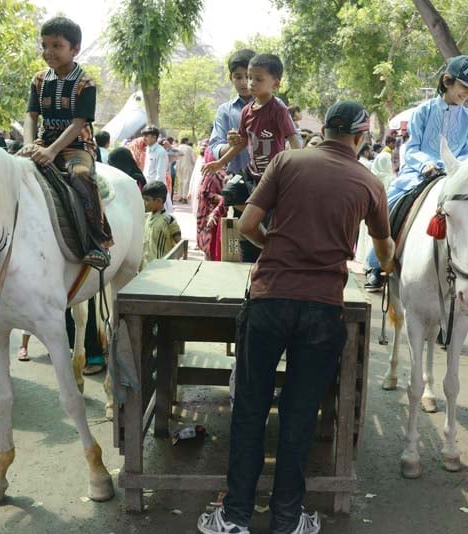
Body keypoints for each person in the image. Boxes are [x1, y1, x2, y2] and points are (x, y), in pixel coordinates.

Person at [197, 102, 393, 534]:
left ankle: (234, 517)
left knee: (250, 406)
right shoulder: (370, 183)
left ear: (323, 130)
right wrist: (389, 264)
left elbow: (247, 224)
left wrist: (274, 248)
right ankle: (287, 519)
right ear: (360, 138)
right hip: (323, 309)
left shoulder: (287, 161)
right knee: (300, 412)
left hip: (270, 300)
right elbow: (383, 251)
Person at [365, 55, 468, 291]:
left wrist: (465, 168)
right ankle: (375, 263)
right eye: (464, 87)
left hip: (454, 176)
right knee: (389, 204)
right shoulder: (423, 111)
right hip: (419, 173)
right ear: (448, 81)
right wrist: (426, 165)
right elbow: (411, 148)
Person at [22, 16, 112, 269]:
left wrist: (51, 151)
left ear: (75, 49)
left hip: (77, 146)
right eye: (45, 45)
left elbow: (78, 123)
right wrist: (30, 145)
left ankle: (98, 243)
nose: (48, 52)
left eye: (57, 45)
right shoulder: (39, 79)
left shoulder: (86, 82)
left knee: (81, 176)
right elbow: (31, 116)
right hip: (42, 142)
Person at [202, 53, 301, 263]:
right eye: (247, 77)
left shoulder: (279, 109)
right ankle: (264, 248)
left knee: (272, 221)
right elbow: (240, 142)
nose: (250, 83)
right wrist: (220, 162)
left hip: (273, 176)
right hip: (250, 173)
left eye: (257, 79)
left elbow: (294, 139)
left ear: (274, 83)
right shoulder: (243, 111)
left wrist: (298, 165)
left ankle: (274, 255)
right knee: (232, 197)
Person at [208, 49, 256, 182]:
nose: (244, 82)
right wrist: (231, 144)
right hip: (237, 180)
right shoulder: (224, 111)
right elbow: (216, 148)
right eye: (238, 77)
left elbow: (291, 140)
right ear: (231, 77)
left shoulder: (274, 106)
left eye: (249, 76)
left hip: (271, 179)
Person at [140, 181, 181, 270]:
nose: (144, 202)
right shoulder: (146, 217)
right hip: (145, 269)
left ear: (158, 201)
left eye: (147, 200)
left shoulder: (168, 220)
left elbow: (179, 245)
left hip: (161, 269)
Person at [140, 125, 173, 213]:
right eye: (144, 136)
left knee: (162, 217)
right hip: (148, 188)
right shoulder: (148, 149)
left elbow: (160, 176)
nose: (144, 138)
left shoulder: (160, 152)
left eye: (147, 136)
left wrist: (154, 193)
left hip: (156, 192)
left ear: (154, 137)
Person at [175, 137, 196, 202]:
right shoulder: (189, 148)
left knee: (180, 181)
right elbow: (193, 159)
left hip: (178, 166)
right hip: (187, 166)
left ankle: (180, 196)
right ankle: (184, 197)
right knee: (186, 181)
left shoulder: (177, 148)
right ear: (186, 141)